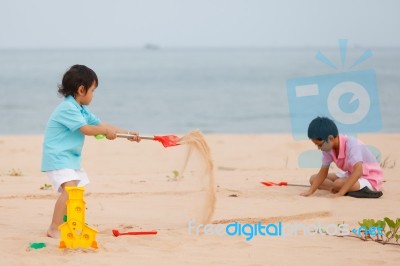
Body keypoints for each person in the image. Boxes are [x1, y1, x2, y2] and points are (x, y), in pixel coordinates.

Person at [41, 64, 141, 238]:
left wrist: (127, 133)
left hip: (69, 158)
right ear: (81, 89)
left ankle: (70, 221)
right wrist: (105, 132)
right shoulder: (68, 108)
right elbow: (86, 129)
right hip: (57, 157)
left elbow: (102, 125)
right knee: (70, 190)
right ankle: (54, 227)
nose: (93, 95)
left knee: (76, 190)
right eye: (93, 90)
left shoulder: (81, 109)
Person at [300, 116, 383, 198]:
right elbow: (323, 173)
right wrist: (310, 191)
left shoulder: (352, 145)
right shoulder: (328, 148)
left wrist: (340, 193)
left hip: (368, 178)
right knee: (313, 179)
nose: (319, 148)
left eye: (320, 145)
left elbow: (358, 172)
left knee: (338, 183)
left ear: (330, 138)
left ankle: (345, 189)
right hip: (350, 174)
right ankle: (343, 189)